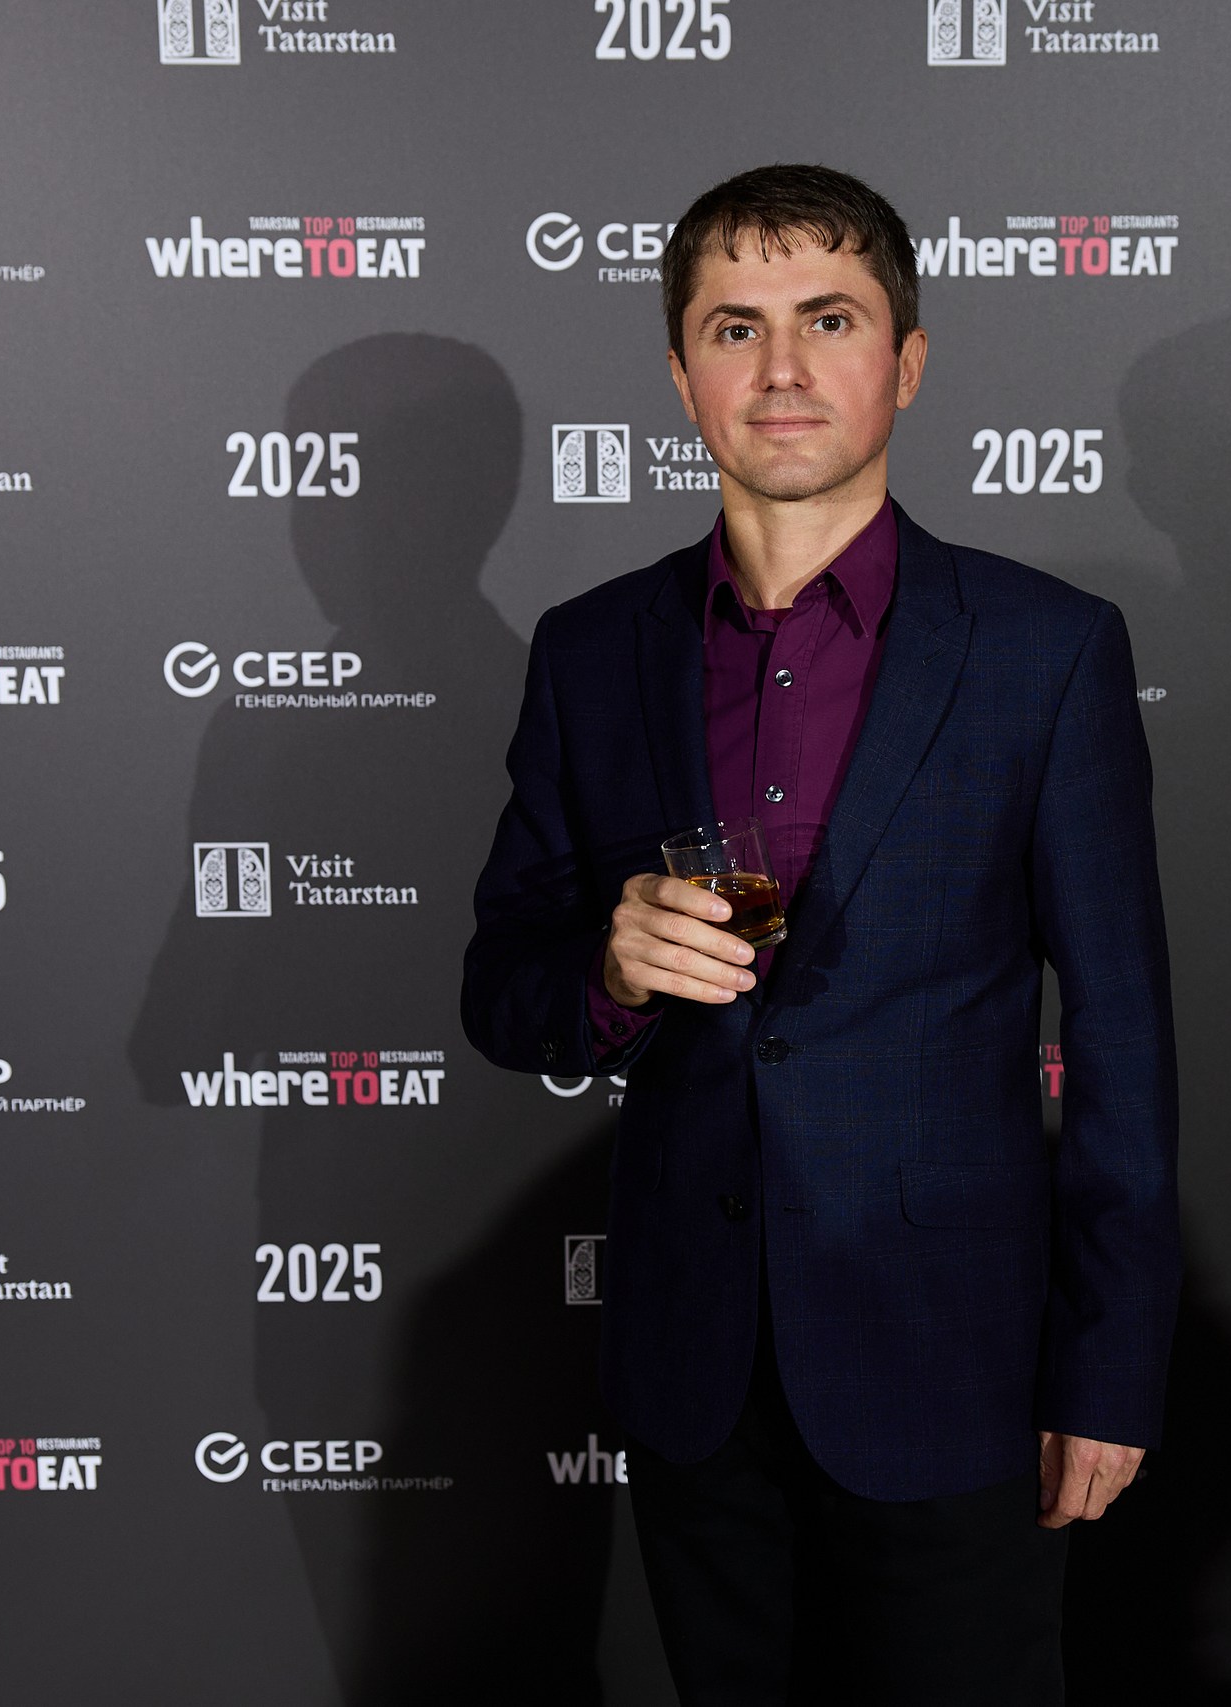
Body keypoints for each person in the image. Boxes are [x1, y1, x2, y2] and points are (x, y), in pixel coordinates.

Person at [462, 164, 1179, 1705]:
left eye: (829, 320)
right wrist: (606, 970)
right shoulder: (591, 651)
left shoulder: (1046, 651)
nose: (781, 368)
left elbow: (1122, 1036)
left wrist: (1111, 1366)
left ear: (906, 361)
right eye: (736, 328)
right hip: (693, 1371)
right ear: (681, 375)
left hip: (955, 1363)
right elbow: (502, 986)